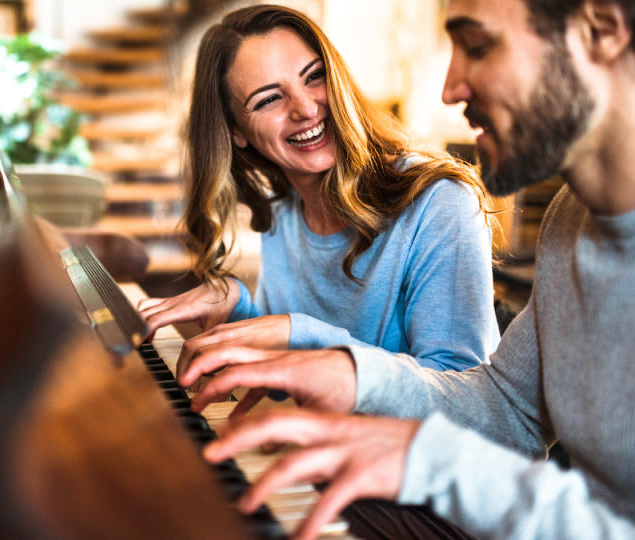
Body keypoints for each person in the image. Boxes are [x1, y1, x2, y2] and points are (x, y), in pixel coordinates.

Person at [187, 0, 635, 538]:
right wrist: (352, 374)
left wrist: (428, 457)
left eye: (478, 45)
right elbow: (510, 408)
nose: (449, 88)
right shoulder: (571, 218)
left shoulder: (441, 200)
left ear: (603, 29)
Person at [138, 5, 500, 386]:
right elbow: (296, 380)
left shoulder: (440, 202)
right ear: (236, 132)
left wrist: (299, 331)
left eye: (314, 77)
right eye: (268, 99)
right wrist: (237, 306)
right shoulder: (285, 211)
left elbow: (461, 390)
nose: (306, 108)